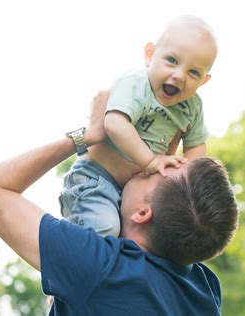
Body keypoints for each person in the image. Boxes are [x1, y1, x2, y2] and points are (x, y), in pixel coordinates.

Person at [0, 90, 239, 315]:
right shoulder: (204, 289)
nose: (149, 164)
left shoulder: (101, 267)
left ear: (143, 213)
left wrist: (88, 136)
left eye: (152, 173)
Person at [60, 15, 218, 238]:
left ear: (204, 81)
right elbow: (114, 124)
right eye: (172, 60)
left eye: (194, 72)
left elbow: (197, 148)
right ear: (150, 54)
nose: (179, 75)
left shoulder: (192, 106)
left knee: (153, 240)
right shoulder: (135, 84)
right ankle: (72, 262)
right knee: (104, 230)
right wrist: (151, 160)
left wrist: (186, 184)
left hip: (133, 195)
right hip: (96, 179)